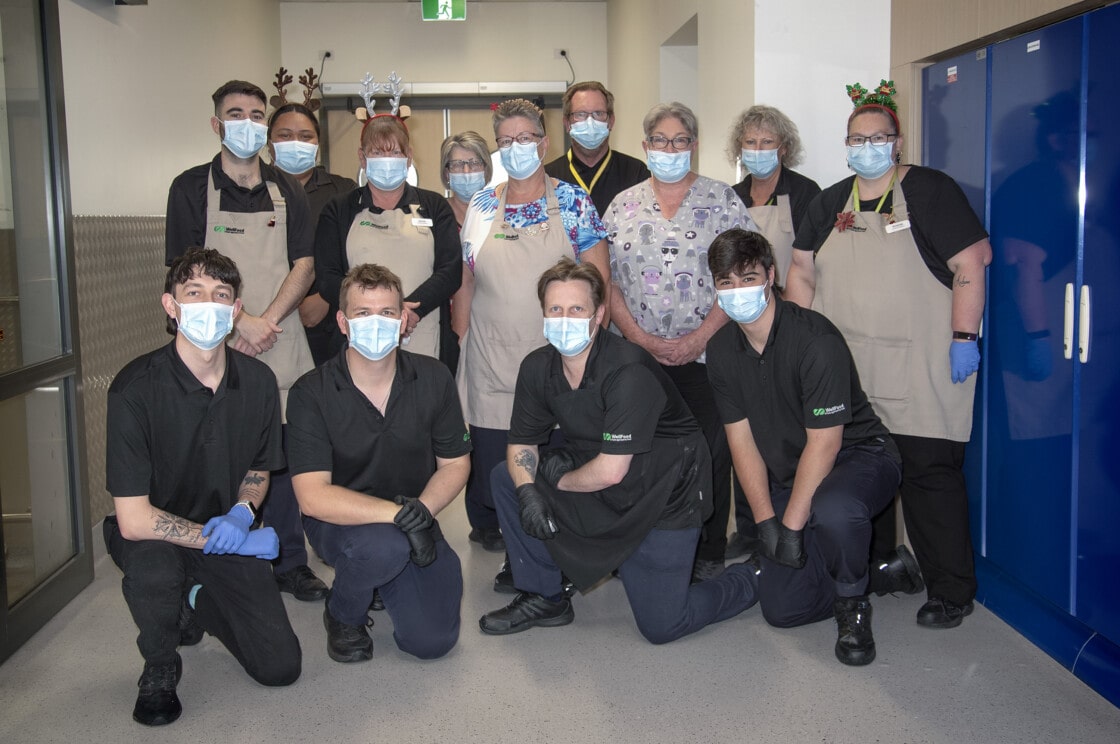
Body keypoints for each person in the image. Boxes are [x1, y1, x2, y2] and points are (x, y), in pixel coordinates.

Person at [785, 81, 992, 629]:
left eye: (878, 138)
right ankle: (874, 570)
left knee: (929, 481)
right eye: (857, 138)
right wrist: (792, 344)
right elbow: (801, 272)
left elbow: (973, 261)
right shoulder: (831, 202)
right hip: (851, 375)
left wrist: (964, 338)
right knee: (857, 479)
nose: (867, 147)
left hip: (922, 367)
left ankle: (951, 589)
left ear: (897, 143)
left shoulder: (930, 192)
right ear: (845, 143)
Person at [479, 258, 758, 642]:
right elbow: (522, 443)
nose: (565, 319)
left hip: (665, 492)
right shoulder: (537, 367)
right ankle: (544, 595)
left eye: (576, 309)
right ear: (542, 314)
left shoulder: (628, 370)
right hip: (601, 469)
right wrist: (528, 492)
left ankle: (752, 576)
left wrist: (553, 483)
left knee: (664, 625)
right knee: (508, 478)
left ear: (599, 315)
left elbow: (612, 471)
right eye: (555, 310)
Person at [104, 248, 301, 726]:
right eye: (194, 293)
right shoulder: (135, 389)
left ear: (235, 312)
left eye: (221, 296)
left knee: (280, 667)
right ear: (171, 306)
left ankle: (193, 600)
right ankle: (159, 661)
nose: (208, 305)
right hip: (155, 534)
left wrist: (242, 514)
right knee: (154, 573)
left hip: (224, 530)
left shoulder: (257, 382)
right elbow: (133, 519)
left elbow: (258, 470)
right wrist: (228, 538)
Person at [705, 229, 916, 665]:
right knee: (783, 609)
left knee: (833, 511)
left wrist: (793, 527)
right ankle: (881, 573)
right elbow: (740, 439)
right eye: (725, 282)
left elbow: (825, 443)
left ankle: (852, 607)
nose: (737, 291)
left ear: (771, 275)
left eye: (748, 278)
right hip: (794, 471)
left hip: (858, 456)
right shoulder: (722, 350)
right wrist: (767, 524)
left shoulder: (814, 340)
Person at [165, 79, 327, 603]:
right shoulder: (190, 188)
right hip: (214, 342)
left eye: (257, 115)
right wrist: (236, 324)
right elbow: (184, 273)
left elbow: (304, 263)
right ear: (216, 124)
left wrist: (265, 321)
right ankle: (209, 558)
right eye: (236, 114)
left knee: (283, 452)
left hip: (279, 339)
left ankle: (290, 561)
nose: (249, 123)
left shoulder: (288, 189)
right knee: (215, 451)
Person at [601, 101, 758, 582]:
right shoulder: (622, 205)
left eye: (680, 141)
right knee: (642, 450)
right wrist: (639, 338)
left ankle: (707, 549)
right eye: (660, 141)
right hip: (636, 355)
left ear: (693, 145)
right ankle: (642, 543)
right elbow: (604, 280)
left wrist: (698, 338)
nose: (670, 149)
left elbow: (740, 276)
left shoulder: (723, 200)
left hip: (709, 352)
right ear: (645, 146)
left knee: (710, 452)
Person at [287, 264, 470, 663]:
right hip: (341, 522)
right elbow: (313, 498)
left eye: (387, 313)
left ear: (404, 320)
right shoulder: (310, 394)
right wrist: (402, 517)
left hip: (415, 516)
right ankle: (343, 613)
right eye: (362, 313)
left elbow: (455, 464)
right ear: (342, 321)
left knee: (432, 642)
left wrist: (422, 511)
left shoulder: (434, 378)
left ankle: (382, 582)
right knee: (383, 547)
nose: (376, 323)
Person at [453, 98, 610, 560]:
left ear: (543, 143)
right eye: (506, 141)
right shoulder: (481, 205)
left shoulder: (573, 201)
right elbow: (465, 279)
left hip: (555, 357)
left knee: (552, 461)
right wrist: (463, 337)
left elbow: (598, 281)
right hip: (491, 357)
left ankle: (554, 550)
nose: (516, 147)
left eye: (525, 138)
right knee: (494, 464)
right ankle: (507, 545)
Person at [315, 114, 461, 371]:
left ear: (409, 158)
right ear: (362, 158)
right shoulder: (338, 210)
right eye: (377, 153)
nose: (387, 160)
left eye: (394, 152)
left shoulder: (434, 205)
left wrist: (410, 310)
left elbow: (450, 270)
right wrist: (375, 313)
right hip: (361, 329)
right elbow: (327, 276)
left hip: (423, 331)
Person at [268, 100, 358, 366]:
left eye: (305, 136)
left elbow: (354, 252)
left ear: (317, 144)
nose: (296, 142)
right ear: (269, 142)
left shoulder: (344, 191)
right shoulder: (254, 189)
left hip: (327, 318)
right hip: (264, 315)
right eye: (285, 136)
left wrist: (327, 298)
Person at [544, 81, 650, 216]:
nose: (590, 122)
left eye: (598, 113)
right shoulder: (548, 177)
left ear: (611, 121)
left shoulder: (636, 172)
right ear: (566, 123)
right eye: (581, 114)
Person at [440, 131, 493, 228]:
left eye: (475, 163)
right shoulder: (438, 213)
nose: (466, 171)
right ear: (447, 173)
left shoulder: (499, 212)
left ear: (486, 169)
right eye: (457, 164)